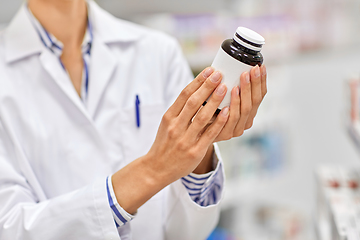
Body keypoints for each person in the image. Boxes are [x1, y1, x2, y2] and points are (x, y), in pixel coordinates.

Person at [0, 0, 267, 239]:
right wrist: (152, 171)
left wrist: (201, 143)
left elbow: (187, 232)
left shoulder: (158, 52)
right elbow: (9, 228)